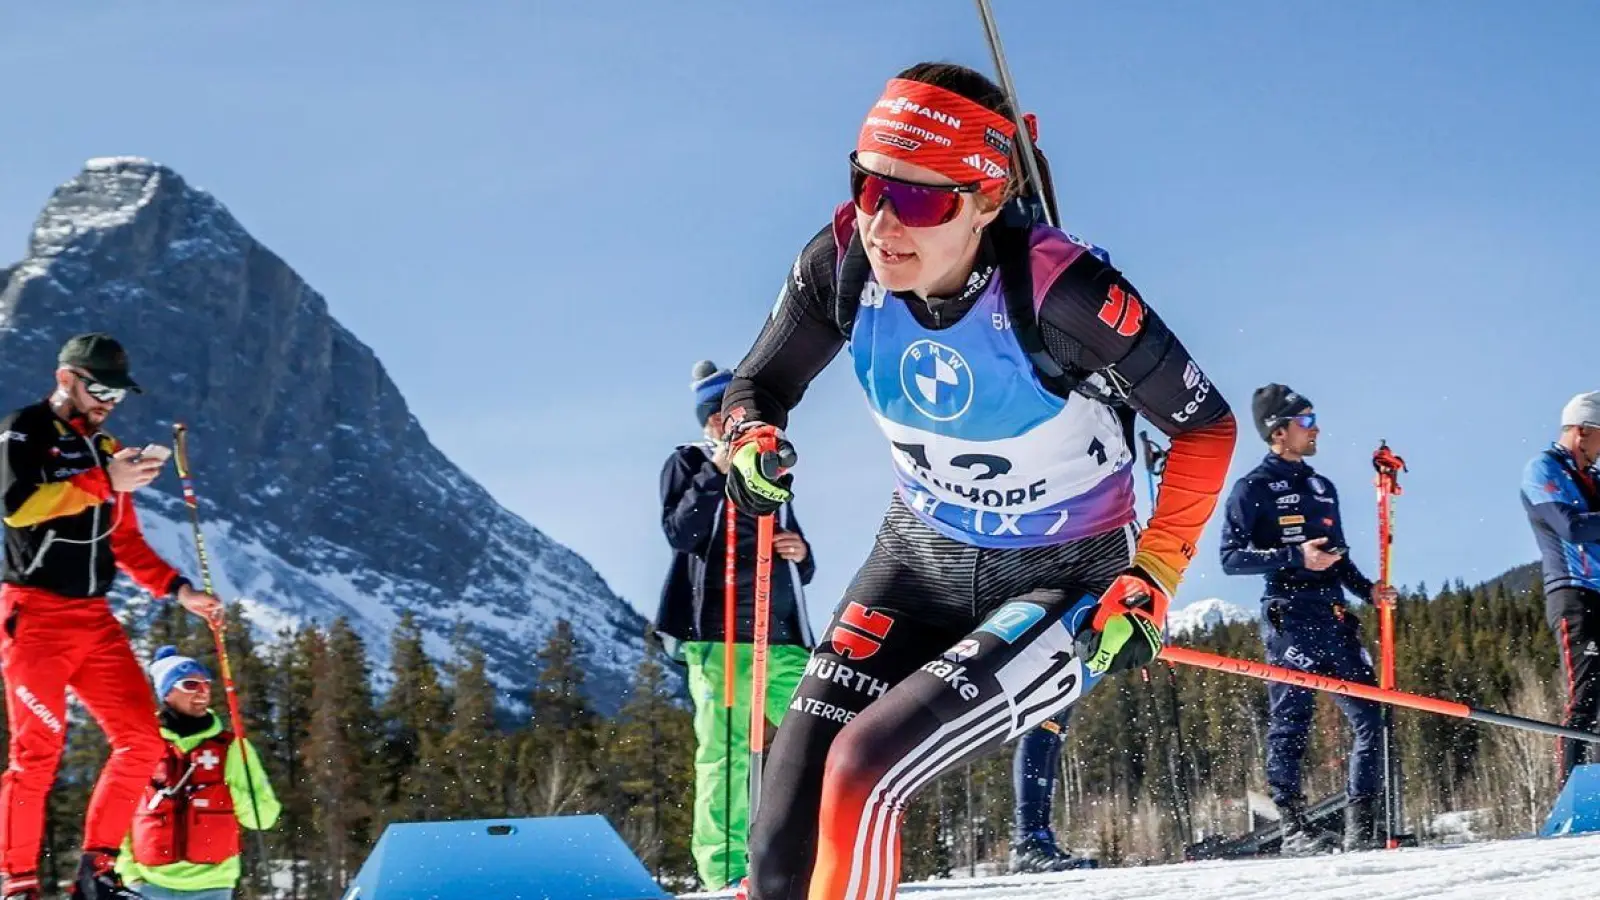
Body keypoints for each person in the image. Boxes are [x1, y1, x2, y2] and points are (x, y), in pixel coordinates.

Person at [716, 62, 1237, 900]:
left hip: (1063, 580)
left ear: (988, 198)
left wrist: (1156, 574)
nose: (884, 222)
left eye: (920, 200)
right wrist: (748, 438)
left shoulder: (1061, 292)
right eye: (868, 185)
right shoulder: (843, 259)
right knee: (782, 836)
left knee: (863, 772)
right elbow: (756, 386)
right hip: (915, 562)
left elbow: (1205, 425)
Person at [0, 333, 224, 900]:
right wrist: (104, 482)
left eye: (118, 394)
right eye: (99, 389)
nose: (108, 402)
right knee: (36, 755)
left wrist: (179, 591)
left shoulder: (106, 447)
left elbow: (123, 540)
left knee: (143, 742)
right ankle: (17, 881)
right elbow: (18, 508)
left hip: (94, 620)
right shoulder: (22, 430)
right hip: (34, 615)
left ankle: (95, 872)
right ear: (66, 378)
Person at [654, 360, 817, 890]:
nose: (729, 423)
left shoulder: (771, 466)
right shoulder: (689, 462)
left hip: (780, 633)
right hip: (716, 634)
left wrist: (801, 552)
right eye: (719, 415)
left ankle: (810, 856)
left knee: (812, 736)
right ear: (707, 421)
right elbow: (680, 533)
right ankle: (724, 868)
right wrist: (715, 473)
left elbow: (796, 547)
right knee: (724, 754)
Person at [1218, 384, 1396, 854]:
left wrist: (1369, 590)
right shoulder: (1252, 489)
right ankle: (1295, 826)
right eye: (1306, 420)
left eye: (1314, 419)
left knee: (1371, 717)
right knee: (1292, 720)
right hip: (1288, 615)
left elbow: (1338, 557)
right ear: (1279, 432)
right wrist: (1294, 555)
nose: (1316, 428)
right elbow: (1231, 558)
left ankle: (1363, 829)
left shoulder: (1322, 487)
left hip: (1334, 614)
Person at [117, 647, 280, 899]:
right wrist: (129, 873)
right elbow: (118, 813)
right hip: (147, 886)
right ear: (167, 692)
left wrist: (224, 792)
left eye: (206, 684)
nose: (202, 691)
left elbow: (264, 817)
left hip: (212, 887)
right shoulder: (142, 745)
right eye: (190, 684)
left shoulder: (231, 748)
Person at [1521, 391, 1600, 785]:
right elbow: (1572, 526)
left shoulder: (1594, 476)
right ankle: (1573, 788)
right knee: (1587, 693)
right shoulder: (1543, 468)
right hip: (1574, 593)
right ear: (1582, 431)